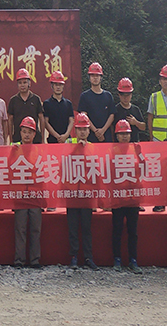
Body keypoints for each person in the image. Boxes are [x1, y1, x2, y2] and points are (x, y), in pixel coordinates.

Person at [65, 113, 98, 270]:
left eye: (85, 129)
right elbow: (61, 163)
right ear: (75, 130)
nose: (82, 132)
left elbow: (96, 171)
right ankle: (73, 257)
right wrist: (76, 149)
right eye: (79, 129)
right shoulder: (68, 144)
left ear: (89, 131)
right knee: (72, 228)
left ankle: (88, 257)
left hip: (86, 194)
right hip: (71, 194)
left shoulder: (92, 147)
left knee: (86, 228)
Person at [110, 120, 142, 274]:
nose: (124, 136)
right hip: (118, 197)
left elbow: (145, 167)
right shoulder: (112, 151)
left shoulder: (136, 149)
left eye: (127, 134)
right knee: (117, 230)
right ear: (117, 135)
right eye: (121, 134)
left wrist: (140, 154)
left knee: (133, 231)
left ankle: (133, 259)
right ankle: (117, 259)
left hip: (133, 197)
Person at [12, 116, 42, 268]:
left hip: (35, 195)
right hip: (20, 195)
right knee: (20, 229)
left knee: (35, 229)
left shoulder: (39, 151)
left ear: (34, 134)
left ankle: (35, 260)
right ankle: (19, 260)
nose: (27, 135)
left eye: (30, 132)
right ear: (20, 133)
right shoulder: (14, 150)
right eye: (24, 131)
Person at [77, 62, 114, 143]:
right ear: (89, 78)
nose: (95, 78)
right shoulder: (84, 96)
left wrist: (103, 130)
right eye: (92, 75)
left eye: (97, 75)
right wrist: (96, 131)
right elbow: (84, 116)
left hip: (106, 136)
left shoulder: (108, 96)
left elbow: (112, 115)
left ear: (101, 77)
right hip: (90, 137)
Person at [7, 69, 45, 144]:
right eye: (20, 83)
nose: (22, 85)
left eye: (24, 82)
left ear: (29, 83)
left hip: (35, 139)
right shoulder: (13, 100)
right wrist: (11, 139)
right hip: (18, 139)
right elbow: (10, 121)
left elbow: (41, 118)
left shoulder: (36, 99)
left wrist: (42, 138)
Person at [42, 71, 74, 144]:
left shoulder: (68, 103)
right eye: (56, 84)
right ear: (52, 86)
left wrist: (66, 135)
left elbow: (71, 121)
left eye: (60, 84)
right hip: (53, 140)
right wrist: (57, 136)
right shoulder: (47, 104)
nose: (58, 87)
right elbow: (46, 122)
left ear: (63, 86)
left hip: (67, 140)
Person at [113, 78, 146, 143]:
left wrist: (136, 122)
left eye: (127, 95)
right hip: (118, 145)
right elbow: (111, 128)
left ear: (131, 95)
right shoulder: (115, 110)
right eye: (123, 95)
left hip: (134, 144)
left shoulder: (136, 109)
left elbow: (143, 127)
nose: (125, 98)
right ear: (119, 95)